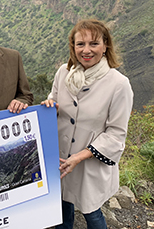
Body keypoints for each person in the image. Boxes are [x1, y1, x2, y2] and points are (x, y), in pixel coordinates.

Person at [41, 19, 133, 229]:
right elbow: (54, 99)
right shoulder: (63, 72)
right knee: (62, 211)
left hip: (89, 162)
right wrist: (50, 106)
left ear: (105, 45)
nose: (86, 50)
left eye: (94, 43)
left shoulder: (119, 84)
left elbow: (116, 134)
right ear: (73, 46)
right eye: (80, 44)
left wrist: (80, 156)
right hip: (61, 157)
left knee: (92, 214)